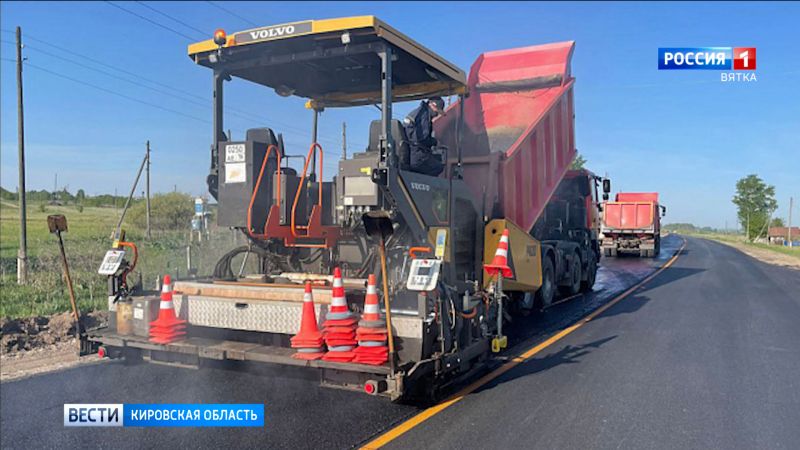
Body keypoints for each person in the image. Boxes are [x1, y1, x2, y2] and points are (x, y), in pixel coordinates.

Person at [403, 97, 445, 176]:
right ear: (432, 105)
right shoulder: (424, 116)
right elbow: (423, 139)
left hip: (410, 153)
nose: (437, 114)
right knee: (438, 167)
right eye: (437, 111)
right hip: (417, 156)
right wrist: (435, 142)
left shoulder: (416, 113)